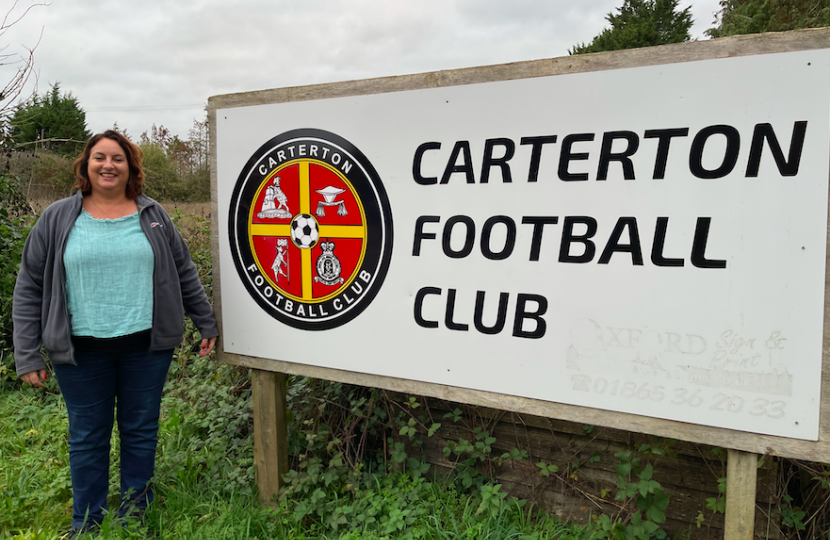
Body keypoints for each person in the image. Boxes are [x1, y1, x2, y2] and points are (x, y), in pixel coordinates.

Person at [12, 130, 218, 536]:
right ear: (86, 166)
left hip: (147, 347)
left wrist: (205, 320)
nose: (108, 165)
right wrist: (27, 352)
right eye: (100, 158)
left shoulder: (154, 215)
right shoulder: (57, 217)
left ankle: (135, 513)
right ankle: (86, 521)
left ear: (131, 167)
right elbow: (29, 286)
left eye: (118, 159)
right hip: (80, 351)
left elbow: (184, 271)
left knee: (141, 430)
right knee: (87, 436)